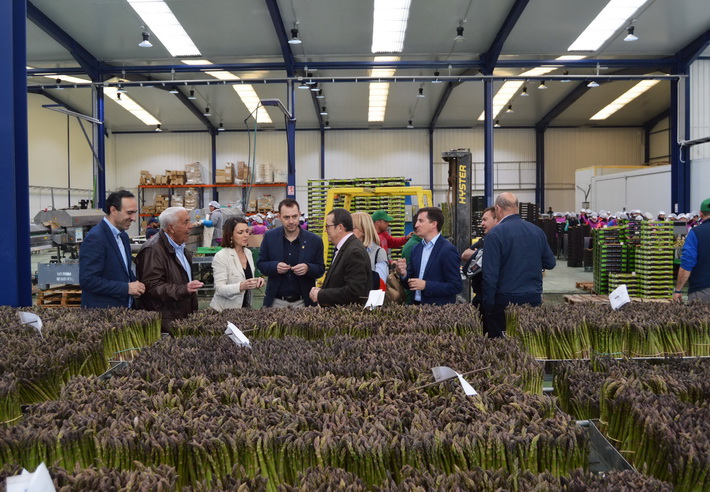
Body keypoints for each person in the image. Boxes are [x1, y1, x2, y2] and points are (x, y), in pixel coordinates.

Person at [482, 193, 556, 338]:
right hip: (532, 298)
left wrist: (488, 306)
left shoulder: (495, 234)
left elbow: (490, 275)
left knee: (503, 345)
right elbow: (550, 263)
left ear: (498, 209)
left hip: (504, 301)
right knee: (528, 341)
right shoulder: (536, 231)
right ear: (517, 207)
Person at [136, 207, 204, 332]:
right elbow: (151, 286)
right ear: (171, 228)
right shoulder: (153, 250)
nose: (190, 226)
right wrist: (183, 289)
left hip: (182, 319)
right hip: (166, 322)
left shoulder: (181, 248)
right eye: (185, 222)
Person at [80, 190, 145, 308]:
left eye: (134, 212)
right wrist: (126, 288)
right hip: (104, 314)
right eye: (129, 213)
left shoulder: (123, 236)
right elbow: (88, 280)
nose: (134, 218)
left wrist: (136, 285)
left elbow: (124, 270)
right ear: (113, 210)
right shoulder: (96, 238)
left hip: (124, 309)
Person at [258, 198, 325, 308]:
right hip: (276, 302)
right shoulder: (270, 237)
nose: (291, 221)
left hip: (304, 302)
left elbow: (320, 269)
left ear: (299, 214)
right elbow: (261, 264)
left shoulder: (314, 240)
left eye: (294, 216)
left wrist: (308, 268)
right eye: (286, 217)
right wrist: (275, 267)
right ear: (279, 217)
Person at [395, 207, 461, 306]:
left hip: (438, 311)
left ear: (434, 224)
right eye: (417, 221)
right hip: (416, 307)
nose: (416, 225)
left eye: (421, 221)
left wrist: (426, 285)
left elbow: (456, 286)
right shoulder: (416, 249)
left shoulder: (448, 250)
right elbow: (410, 284)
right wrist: (404, 274)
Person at [309, 208, 371, 306]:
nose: (325, 230)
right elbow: (339, 283)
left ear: (340, 227)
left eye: (328, 226)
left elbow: (354, 291)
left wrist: (321, 294)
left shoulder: (354, 252)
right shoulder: (345, 248)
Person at [210, 217, 265, 311]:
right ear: (230, 235)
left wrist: (256, 281)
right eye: (240, 232)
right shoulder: (222, 256)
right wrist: (241, 286)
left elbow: (246, 278)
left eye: (247, 231)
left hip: (245, 309)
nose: (246, 235)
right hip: (225, 311)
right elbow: (219, 289)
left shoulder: (248, 253)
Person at [674, 198, 710, 303]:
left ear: (701, 214)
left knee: (700, 319)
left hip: (703, 290)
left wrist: (678, 289)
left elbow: (686, 264)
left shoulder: (696, 232)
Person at [461, 207, 498, 308]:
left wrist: (479, 254)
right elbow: (464, 254)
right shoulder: (484, 240)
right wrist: (482, 253)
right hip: (480, 296)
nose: (482, 224)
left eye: (485, 220)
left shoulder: (495, 240)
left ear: (496, 220)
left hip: (492, 297)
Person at [352, 212, 388, 289]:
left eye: (352, 228)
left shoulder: (378, 252)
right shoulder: (347, 251)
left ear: (363, 230)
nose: (349, 232)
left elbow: (380, 284)